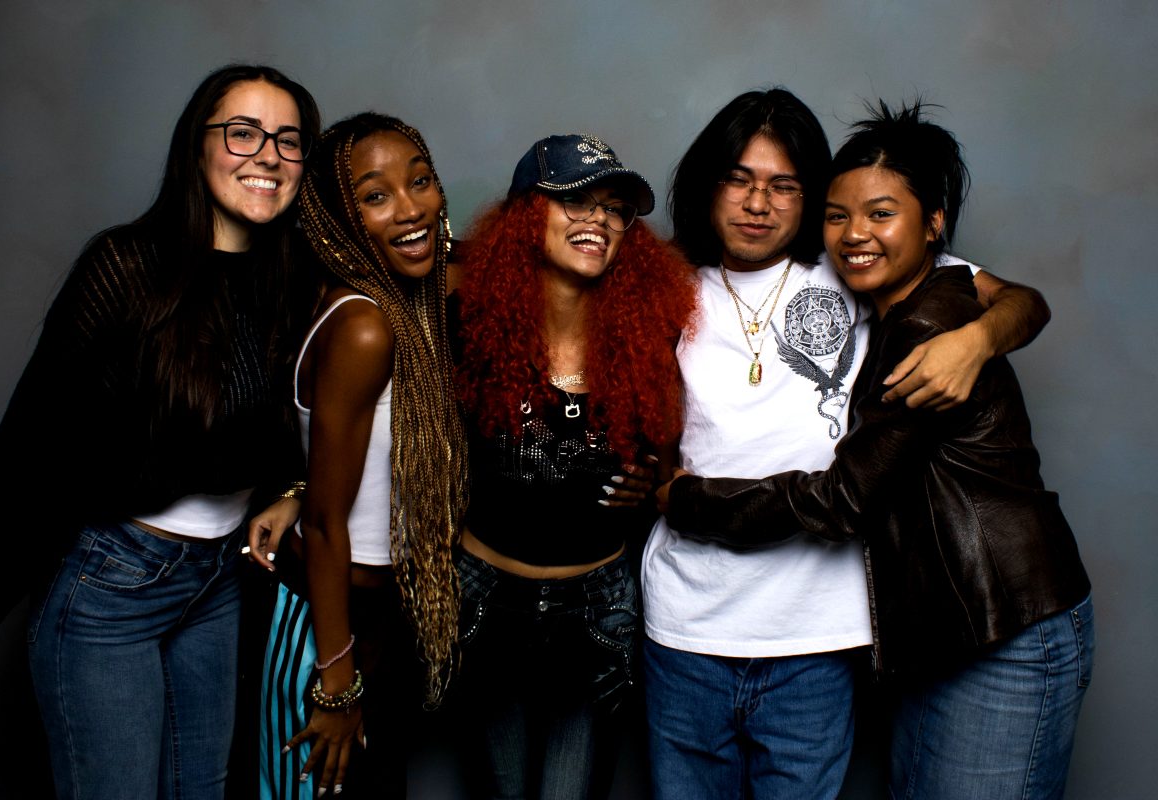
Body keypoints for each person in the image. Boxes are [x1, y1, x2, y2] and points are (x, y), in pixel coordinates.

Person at [659, 100, 1093, 800]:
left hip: (1003, 620)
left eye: (880, 215)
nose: (856, 234)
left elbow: (842, 500)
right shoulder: (902, 286)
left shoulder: (926, 314)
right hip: (938, 624)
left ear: (932, 225)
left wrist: (681, 499)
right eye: (841, 216)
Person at [0, 65, 320, 798]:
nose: (268, 156)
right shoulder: (127, 267)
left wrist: (292, 490)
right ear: (198, 146)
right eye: (243, 133)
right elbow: (29, 444)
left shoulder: (295, 279)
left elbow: (294, 430)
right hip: (111, 584)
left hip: (219, 581)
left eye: (288, 140)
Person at [450, 134, 697, 799]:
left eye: (615, 208)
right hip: (484, 603)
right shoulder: (464, 319)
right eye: (574, 201)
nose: (599, 219)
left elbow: (675, 466)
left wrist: (652, 483)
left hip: (597, 611)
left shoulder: (649, 333)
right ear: (528, 214)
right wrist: (296, 489)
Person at [250, 113, 468, 800]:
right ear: (336, 219)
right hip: (332, 617)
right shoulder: (365, 326)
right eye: (375, 196)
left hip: (383, 616)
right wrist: (337, 684)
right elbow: (323, 523)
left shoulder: (417, 296)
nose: (410, 210)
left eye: (421, 182)